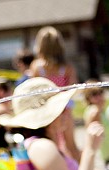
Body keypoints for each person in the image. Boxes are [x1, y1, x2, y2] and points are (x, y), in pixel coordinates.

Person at [29, 26, 80, 161]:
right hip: (65, 110)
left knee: (53, 145)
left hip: (47, 112)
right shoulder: (67, 67)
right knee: (71, 145)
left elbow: (33, 91)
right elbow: (72, 89)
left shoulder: (37, 67)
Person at [82, 82, 109, 165]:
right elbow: (96, 135)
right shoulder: (95, 111)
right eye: (94, 94)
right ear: (88, 97)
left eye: (100, 93)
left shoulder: (95, 109)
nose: (99, 97)